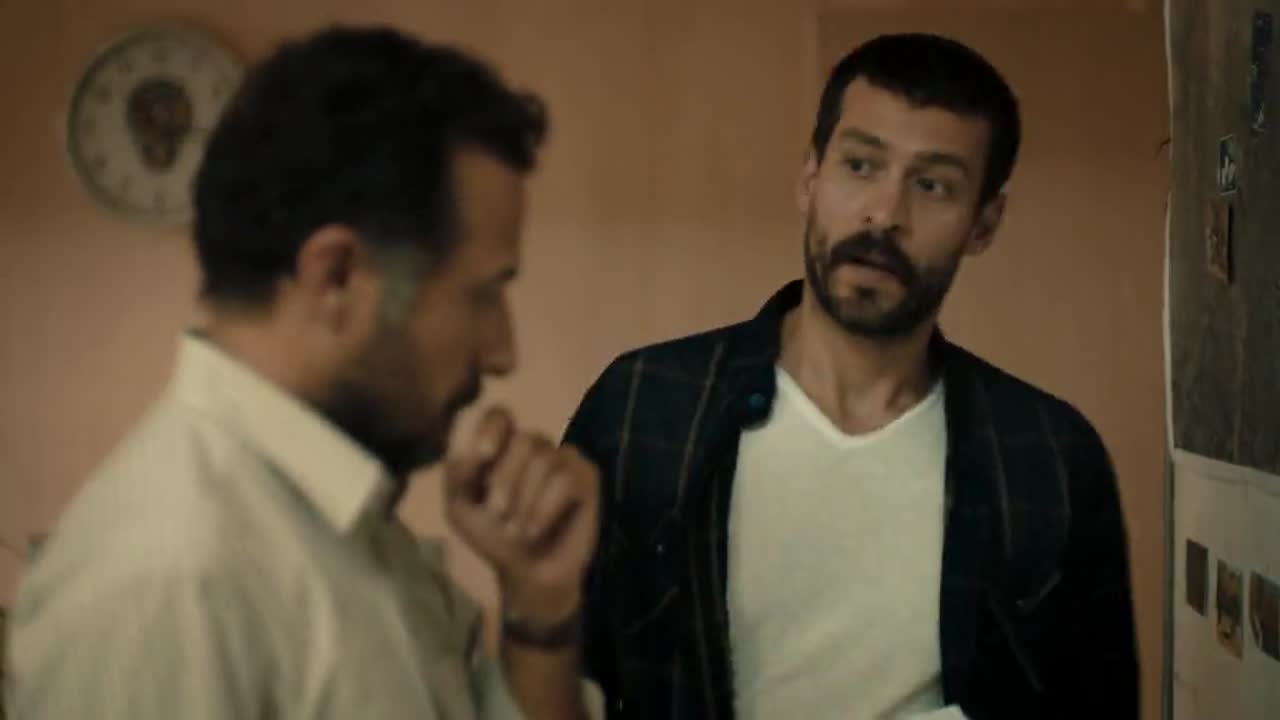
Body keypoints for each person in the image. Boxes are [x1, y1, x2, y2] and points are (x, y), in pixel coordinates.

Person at [6, 26, 602, 720]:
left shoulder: (355, 530)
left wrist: (538, 605)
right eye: (483, 294)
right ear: (337, 276)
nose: (503, 353)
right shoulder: (170, 583)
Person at [562, 33, 1139, 720]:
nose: (884, 214)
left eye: (932, 185)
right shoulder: (643, 407)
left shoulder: (1050, 457)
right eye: (861, 166)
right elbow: (558, 673)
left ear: (984, 223)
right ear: (810, 179)